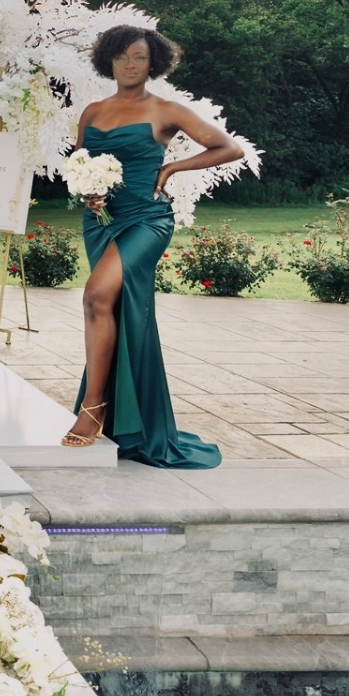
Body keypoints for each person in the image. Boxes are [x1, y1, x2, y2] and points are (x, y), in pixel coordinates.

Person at [62, 26, 238, 468]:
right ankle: (123, 415)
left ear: (153, 62)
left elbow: (228, 147)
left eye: (138, 57)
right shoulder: (92, 111)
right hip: (100, 220)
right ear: (108, 60)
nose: (129, 64)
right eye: (121, 56)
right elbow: (80, 162)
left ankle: (94, 408)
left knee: (96, 295)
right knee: (111, 308)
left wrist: (174, 166)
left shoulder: (166, 110)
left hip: (146, 219)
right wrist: (89, 193)